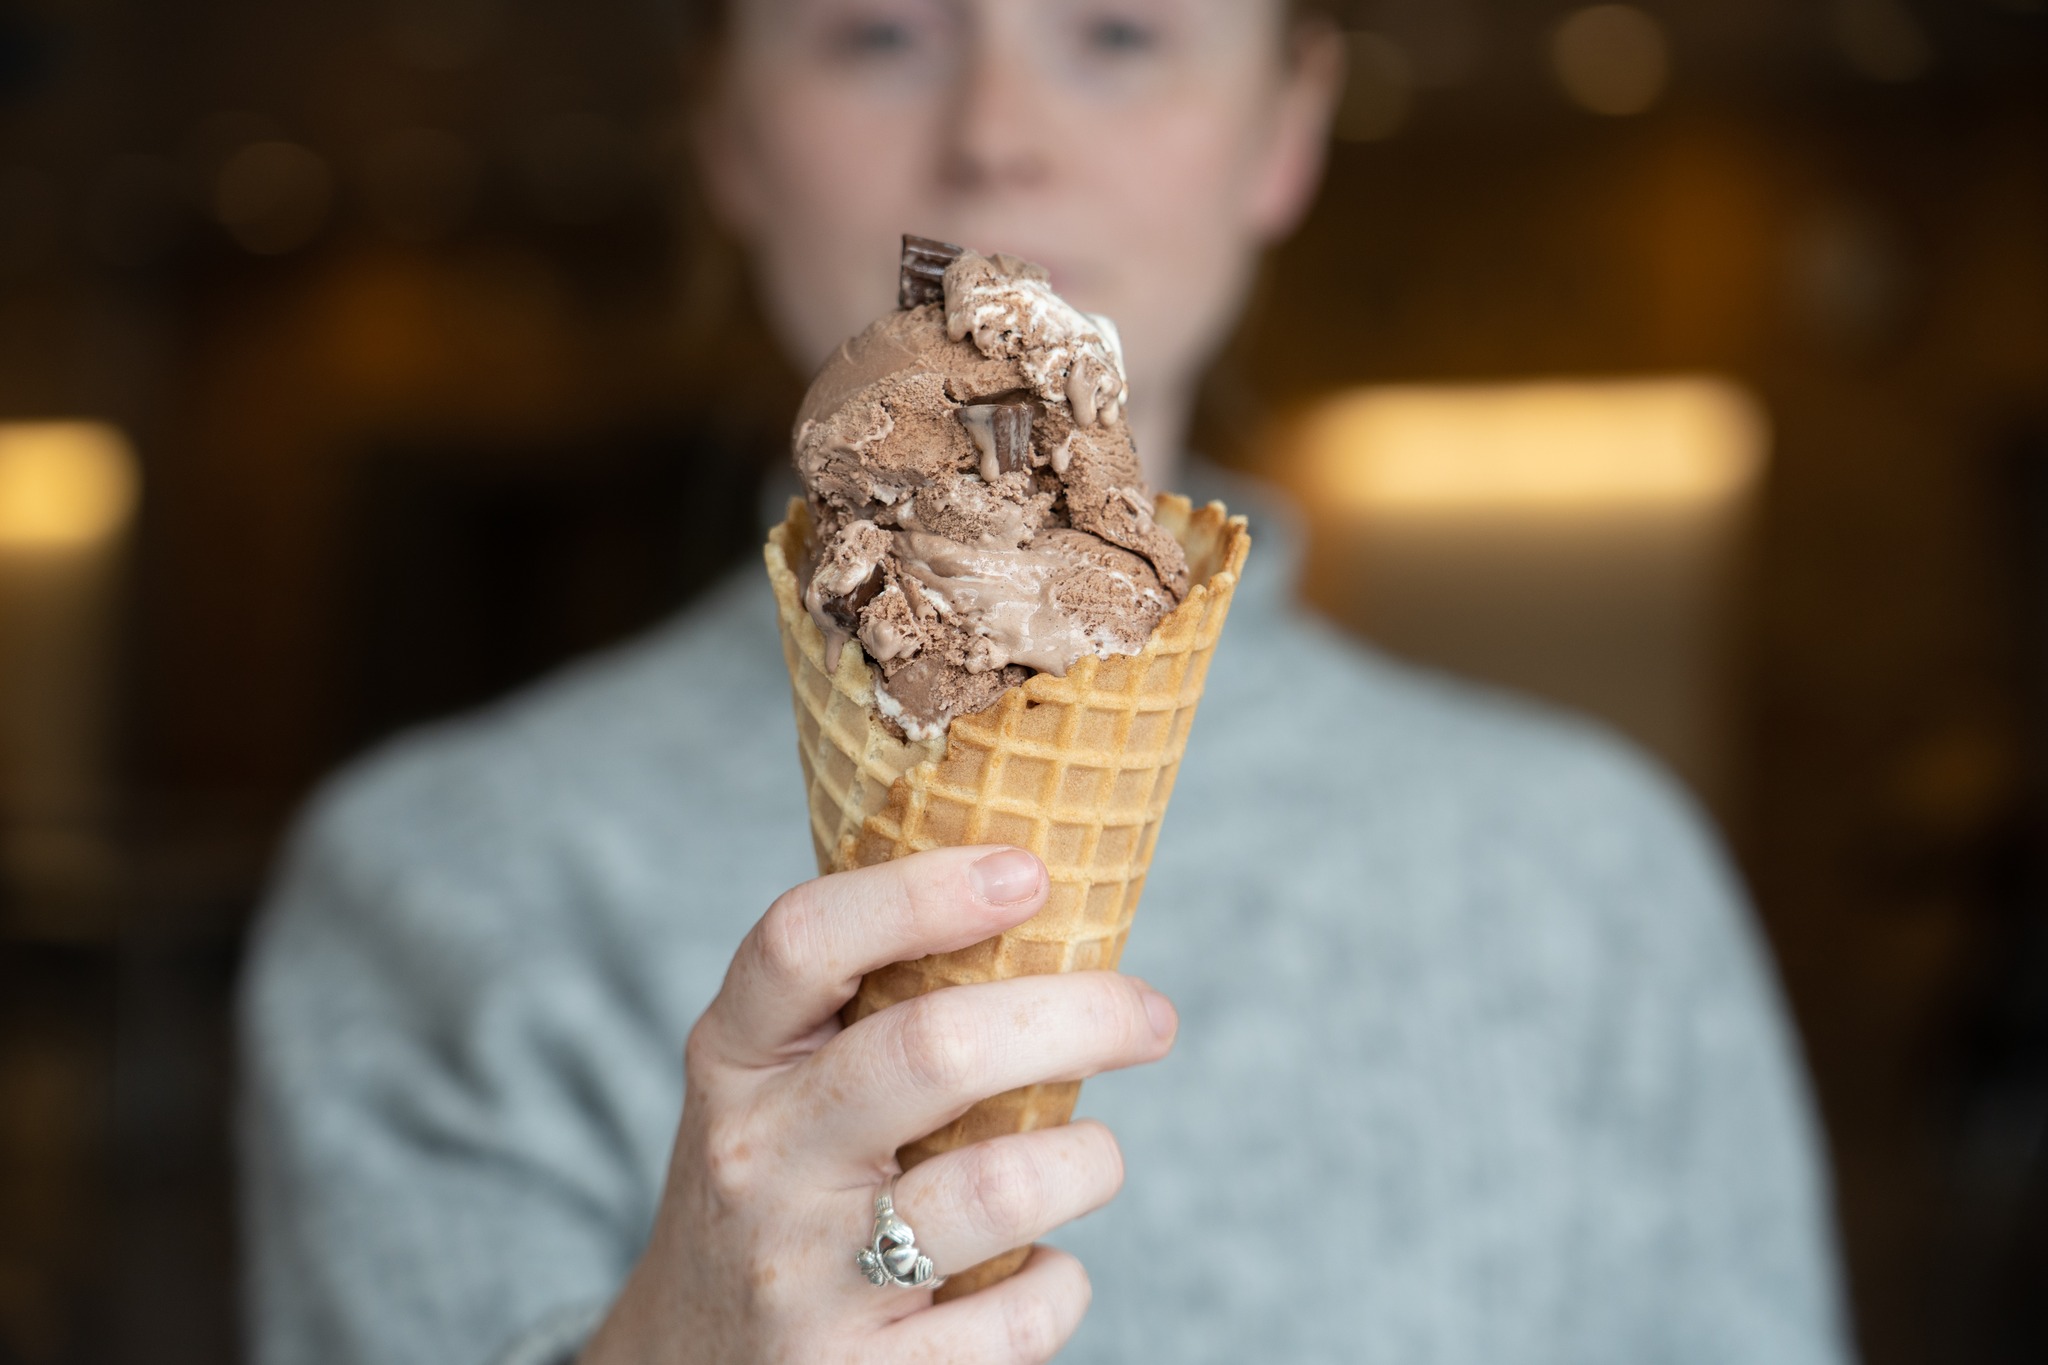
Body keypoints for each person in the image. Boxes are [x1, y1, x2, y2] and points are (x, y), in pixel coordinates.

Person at [239, 2, 1855, 1362]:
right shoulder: (430, 876)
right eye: (874, 34)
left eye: (1120, 33)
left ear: (1286, 131)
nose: (998, 136)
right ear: (726, 134)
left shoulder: (1598, 866)